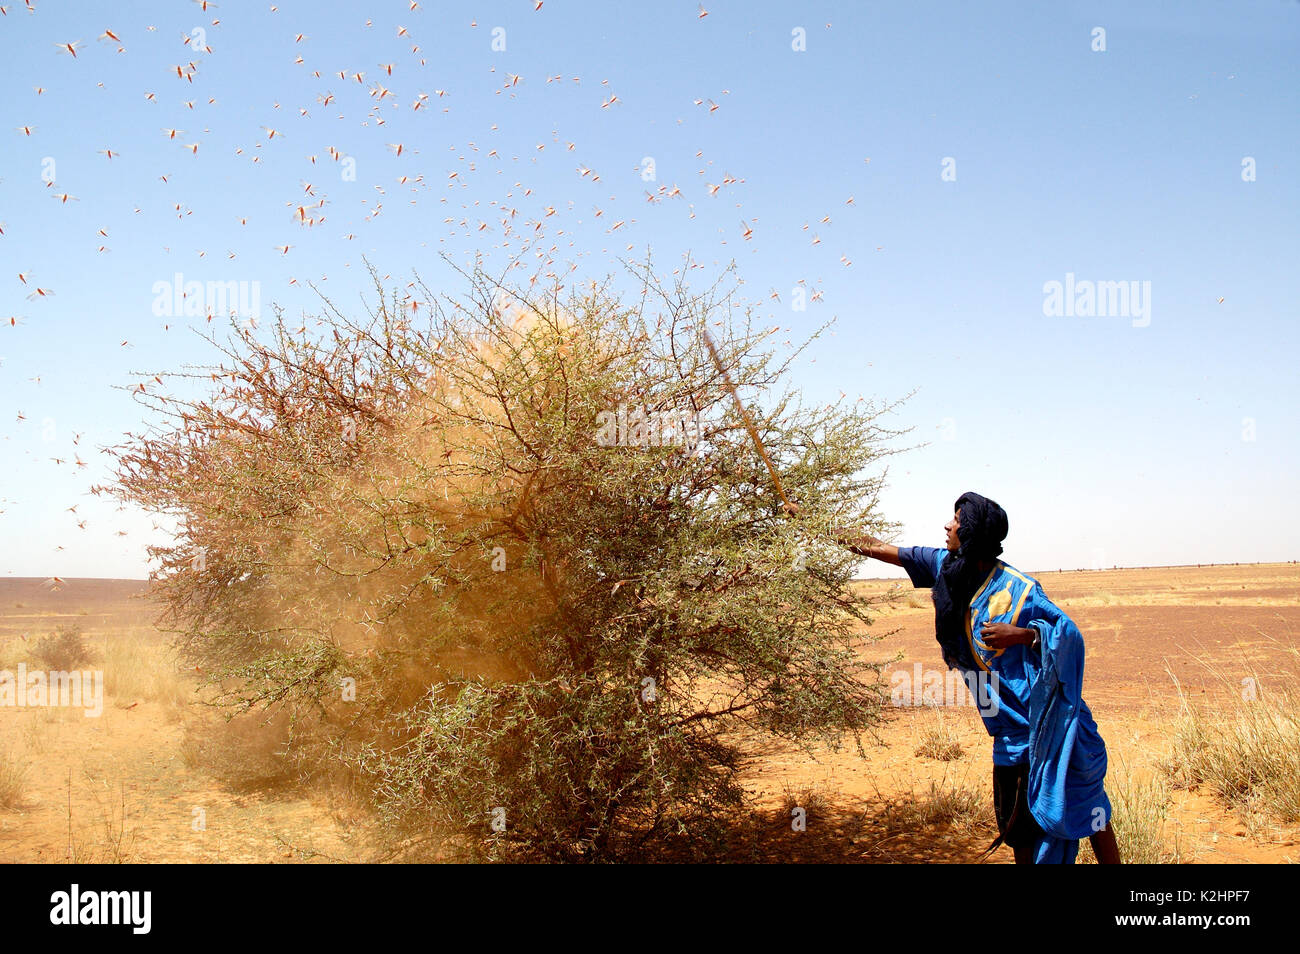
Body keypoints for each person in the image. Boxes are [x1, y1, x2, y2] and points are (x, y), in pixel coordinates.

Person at [829, 492, 1121, 864]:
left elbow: (1069, 637)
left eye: (956, 519)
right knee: (1019, 831)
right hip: (1008, 736)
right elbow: (883, 549)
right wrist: (819, 526)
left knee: (1088, 809)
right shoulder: (944, 567)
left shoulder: (1020, 589)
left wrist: (1024, 635)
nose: (947, 525)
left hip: (1048, 726)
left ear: (973, 533)